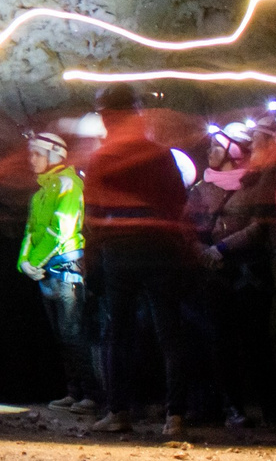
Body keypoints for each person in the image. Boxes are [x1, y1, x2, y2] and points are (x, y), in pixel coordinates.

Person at [80, 84, 195, 438]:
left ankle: (118, 412)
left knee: (120, 333)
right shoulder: (160, 155)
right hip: (161, 247)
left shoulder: (101, 159)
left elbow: (93, 214)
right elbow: (178, 200)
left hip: (120, 250)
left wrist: (91, 256)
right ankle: (175, 417)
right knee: (170, 333)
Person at [207, 113, 276, 430]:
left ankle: (269, 409)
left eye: (218, 146)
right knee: (222, 342)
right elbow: (191, 223)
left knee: (256, 343)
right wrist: (202, 249)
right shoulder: (206, 187)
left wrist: (221, 248)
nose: (211, 152)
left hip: (248, 271)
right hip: (217, 273)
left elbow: (258, 227)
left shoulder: (257, 184)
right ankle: (233, 409)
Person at [16, 131, 98, 411]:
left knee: (73, 332)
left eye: (36, 154)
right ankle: (74, 392)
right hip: (45, 270)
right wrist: (24, 263)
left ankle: (91, 394)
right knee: (61, 334)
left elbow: (61, 229)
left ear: (54, 155)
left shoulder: (68, 184)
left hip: (66, 268)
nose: (31, 159)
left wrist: (33, 261)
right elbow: (30, 230)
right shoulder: (41, 191)